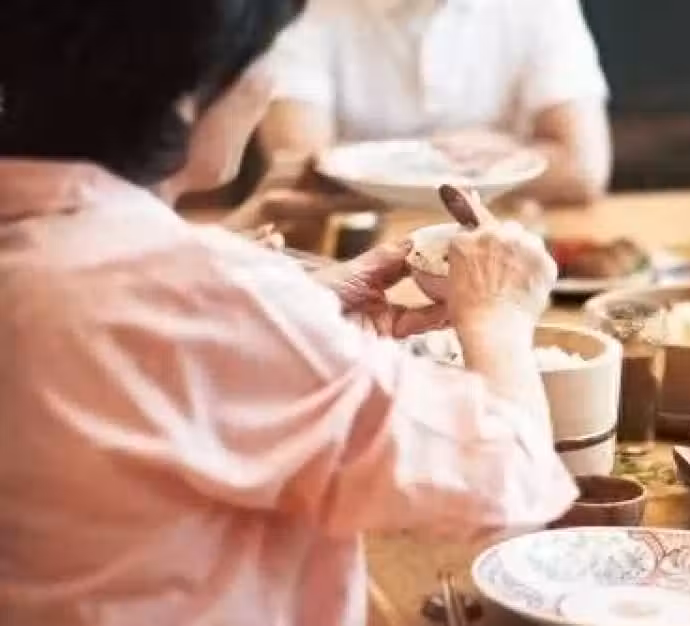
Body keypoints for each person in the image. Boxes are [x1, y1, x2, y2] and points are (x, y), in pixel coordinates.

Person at [0, 2, 577, 625]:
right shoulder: (199, 293)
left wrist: (292, 315)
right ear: (190, 94)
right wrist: (497, 313)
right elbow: (505, 485)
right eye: (263, 56)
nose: (269, 84)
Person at [234, 0, 612, 232]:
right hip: (355, 249)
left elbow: (584, 169)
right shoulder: (305, 10)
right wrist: (496, 170)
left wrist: (508, 155)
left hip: (502, 241)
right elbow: (301, 169)